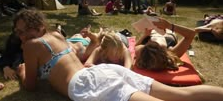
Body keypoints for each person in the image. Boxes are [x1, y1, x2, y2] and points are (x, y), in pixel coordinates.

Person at [15, 9, 223, 101]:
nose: (22, 36)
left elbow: (31, 86)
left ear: (38, 27)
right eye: (19, 33)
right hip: (103, 72)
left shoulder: (31, 46)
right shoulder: (57, 36)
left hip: (88, 82)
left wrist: (22, 71)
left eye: (24, 31)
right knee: (181, 95)